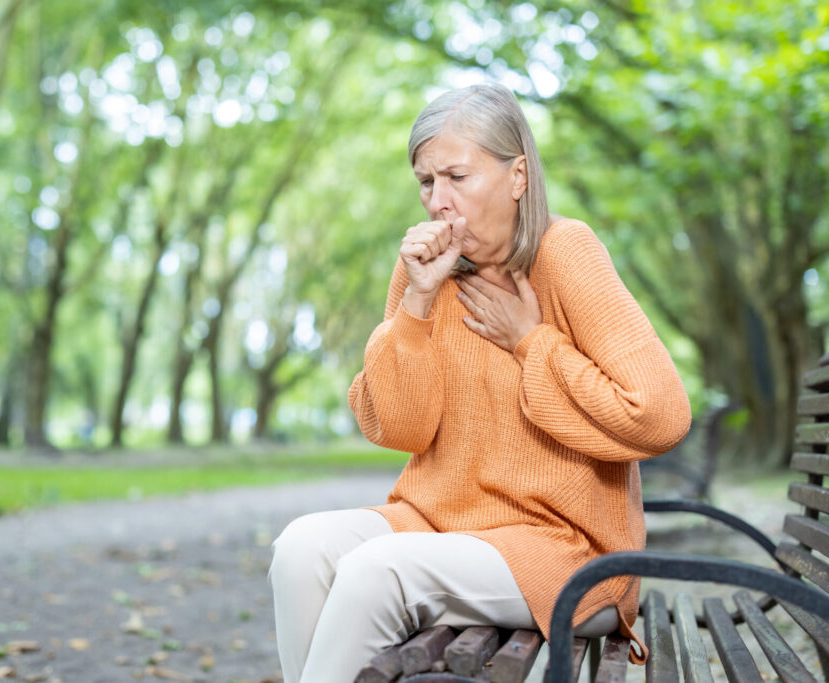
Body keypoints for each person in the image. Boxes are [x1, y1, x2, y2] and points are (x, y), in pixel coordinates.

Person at [268, 82, 691, 683]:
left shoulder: (565, 253)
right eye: (425, 181)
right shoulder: (422, 271)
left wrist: (532, 343)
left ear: (517, 176)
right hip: (440, 521)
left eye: (456, 177)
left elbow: (660, 415)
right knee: (300, 549)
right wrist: (415, 302)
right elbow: (395, 426)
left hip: (564, 547)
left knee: (376, 571)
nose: (437, 200)